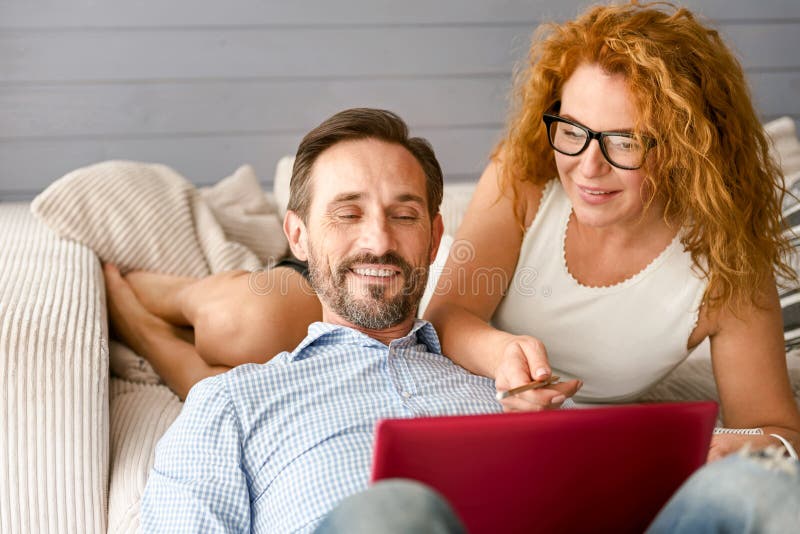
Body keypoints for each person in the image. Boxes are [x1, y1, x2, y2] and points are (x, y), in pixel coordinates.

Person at [422, 1, 800, 461]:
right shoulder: (522, 176)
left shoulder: (727, 261)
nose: (587, 167)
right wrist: (502, 355)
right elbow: (445, 315)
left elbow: (775, 427)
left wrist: (741, 447)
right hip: (458, 385)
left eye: (625, 141)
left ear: (686, 148)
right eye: (573, 129)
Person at [125, 107, 509, 532]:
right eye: (348, 214)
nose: (380, 241)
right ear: (297, 236)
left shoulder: (509, 388)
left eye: (403, 216)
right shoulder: (231, 404)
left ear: (435, 239)